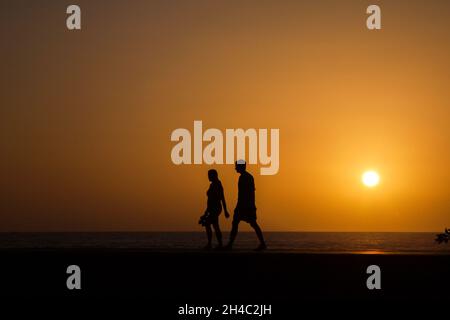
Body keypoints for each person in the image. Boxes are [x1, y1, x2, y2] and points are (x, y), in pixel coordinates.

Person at [224, 160, 267, 251]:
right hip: (246, 205)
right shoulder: (247, 177)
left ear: (241, 167)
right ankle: (230, 244)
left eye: (236, 166)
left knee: (249, 224)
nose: (235, 168)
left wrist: (245, 205)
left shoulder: (245, 177)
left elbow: (247, 193)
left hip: (245, 205)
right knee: (238, 223)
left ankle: (230, 245)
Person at [199, 169, 230, 249]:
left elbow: (222, 198)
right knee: (214, 225)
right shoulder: (212, 185)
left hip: (216, 208)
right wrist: (206, 212)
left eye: (209, 175)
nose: (208, 177)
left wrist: (225, 211)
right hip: (211, 208)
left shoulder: (218, 184)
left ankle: (213, 244)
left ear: (214, 175)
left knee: (210, 224)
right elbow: (209, 200)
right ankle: (217, 244)